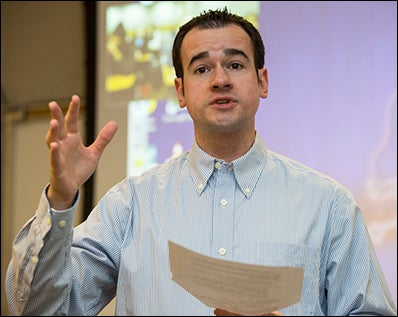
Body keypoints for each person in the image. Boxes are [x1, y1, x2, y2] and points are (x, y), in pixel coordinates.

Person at [5, 7, 397, 316]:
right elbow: (39, 309)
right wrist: (60, 197)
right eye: (202, 68)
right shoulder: (131, 206)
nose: (220, 79)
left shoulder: (329, 205)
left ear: (262, 81)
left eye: (236, 64)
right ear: (180, 90)